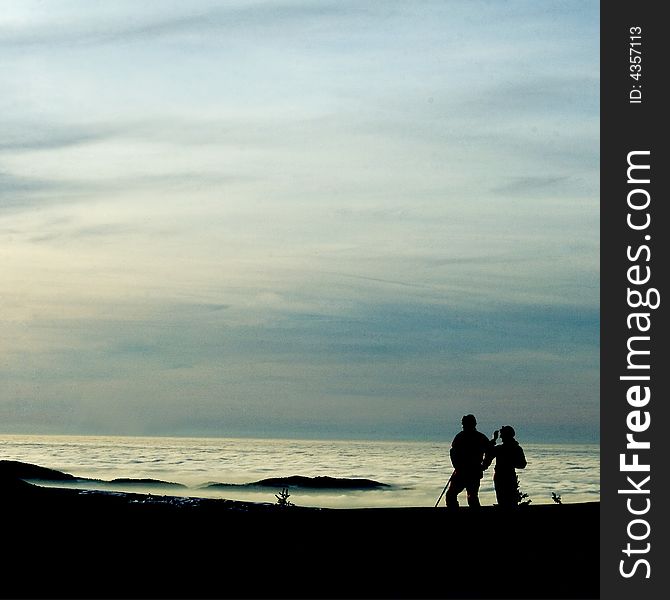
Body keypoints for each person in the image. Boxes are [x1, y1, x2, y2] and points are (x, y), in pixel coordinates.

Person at [444, 414, 491, 508]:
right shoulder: (479, 437)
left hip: (469, 472)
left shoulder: (462, 436)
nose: (463, 426)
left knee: (463, 496)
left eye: (464, 424)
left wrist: (484, 465)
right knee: (469, 496)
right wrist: (484, 465)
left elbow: (489, 452)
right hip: (467, 471)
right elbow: (453, 452)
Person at [482, 425, 527, 508]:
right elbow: (522, 464)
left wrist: (494, 440)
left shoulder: (501, 449)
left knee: (504, 500)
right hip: (508, 476)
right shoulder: (516, 448)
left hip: (503, 476)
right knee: (509, 501)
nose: (501, 437)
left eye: (502, 435)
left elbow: (488, 453)